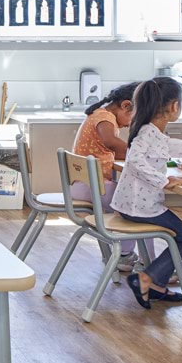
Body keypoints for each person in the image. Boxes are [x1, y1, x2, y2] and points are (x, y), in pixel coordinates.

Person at [110, 77, 182, 309]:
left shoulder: (149, 130)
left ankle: (157, 286)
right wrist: (164, 180)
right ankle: (147, 279)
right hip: (141, 208)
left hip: (133, 205)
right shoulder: (148, 132)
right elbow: (135, 160)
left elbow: (165, 147)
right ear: (174, 107)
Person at [72, 81, 153, 273]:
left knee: (134, 205)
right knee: (142, 208)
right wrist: (138, 153)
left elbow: (109, 149)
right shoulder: (105, 117)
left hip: (84, 185)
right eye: (134, 118)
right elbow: (110, 141)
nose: (130, 124)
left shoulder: (99, 114)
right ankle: (139, 260)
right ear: (126, 105)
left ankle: (125, 255)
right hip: (95, 187)